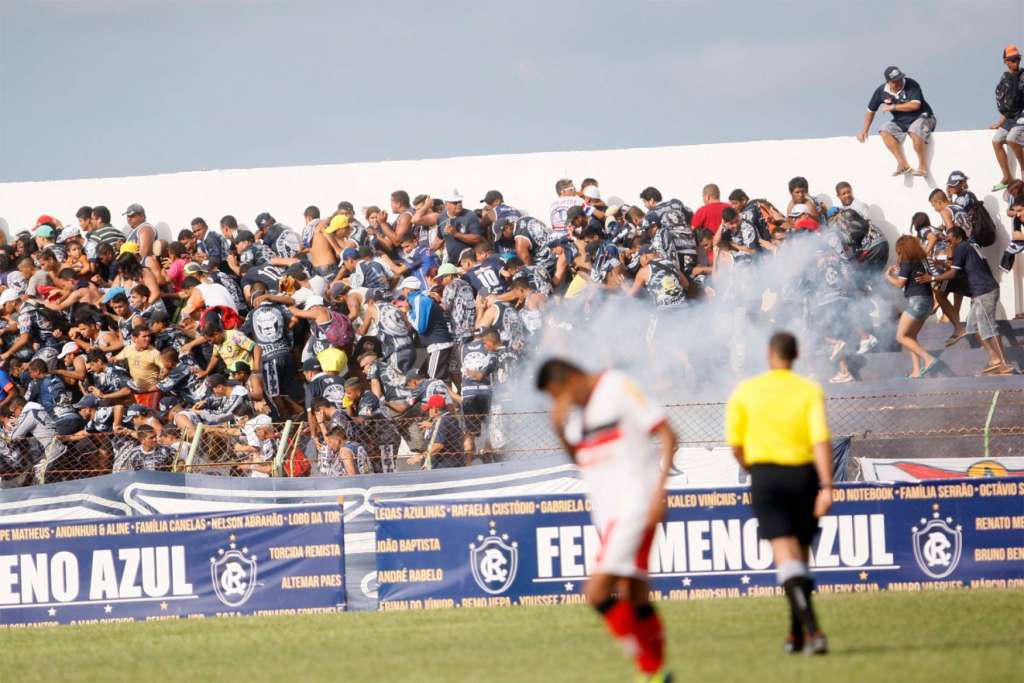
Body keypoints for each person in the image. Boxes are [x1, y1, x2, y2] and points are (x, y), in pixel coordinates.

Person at [536, 358, 677, 682]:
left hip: (635, 506)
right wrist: (559, 430)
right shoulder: (580, 416)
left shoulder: (616, 386)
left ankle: (651, 671)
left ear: (572, 379)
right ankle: (658, 671)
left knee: (597, 593)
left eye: (558, 394)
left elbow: (667, 433)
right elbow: (580, 458)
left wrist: (660, 489)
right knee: (635, 594)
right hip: (610, 513)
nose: (560, 403)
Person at [725, 332, 832, 655]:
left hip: (766, 475)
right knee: (801, 557)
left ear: (769, 354)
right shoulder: (809, 390)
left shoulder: (746, 391)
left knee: (786, 558)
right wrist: (827, 486)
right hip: (803, 476)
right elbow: (821, 442)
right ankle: (796, 633)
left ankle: (811, 631)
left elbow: (736, 447)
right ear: (796, 355)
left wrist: (753, 469)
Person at [916, 227, 1014, 375]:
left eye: (950, 240)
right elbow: (963, 267)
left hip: (984, 291)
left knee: (988, 328)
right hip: (980, 291)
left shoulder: (961, 247)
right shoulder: (971, 246)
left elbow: (953, 273)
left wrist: (932, 278)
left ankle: (1005, 363)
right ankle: (994, 359)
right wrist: (942, 264)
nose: (948, 244)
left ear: (958, 237)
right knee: (973, 328)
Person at [857, 66, 936, 177]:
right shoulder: (881, 91)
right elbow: (870, 110)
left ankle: (923, 166)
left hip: (924, 117)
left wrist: (893, 107)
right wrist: (864, 131)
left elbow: (915, 105)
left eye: (900, 79)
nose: (899, 82)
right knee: (884, 129)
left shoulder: (911, 84)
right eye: (895, 81)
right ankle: (902, 164)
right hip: (901, 122)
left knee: (914, 129)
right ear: (888, 82)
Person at [884, 236, 939, 378]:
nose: (899, 255)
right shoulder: (921, 261)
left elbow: (899, 284)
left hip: (917, 301)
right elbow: (911, 277)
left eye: (899, 251)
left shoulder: (908, 262)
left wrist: (888, 276)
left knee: (901, 336)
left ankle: (928, 359)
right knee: (911, 336)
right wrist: (898, 272)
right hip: (927, 300)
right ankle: (916, 371)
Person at [991, 45, 1024, 191]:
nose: (1016, 62)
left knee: (1011, 139)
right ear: (1006, 61)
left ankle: (1023, 170)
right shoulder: (1005, 78)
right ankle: (1007, 177)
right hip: (1011, 118)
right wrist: (1000, 123)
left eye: (1018, 59)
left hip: (1022, 115)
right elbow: (1008, 104)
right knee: (996, 141)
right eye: (1013, 60)